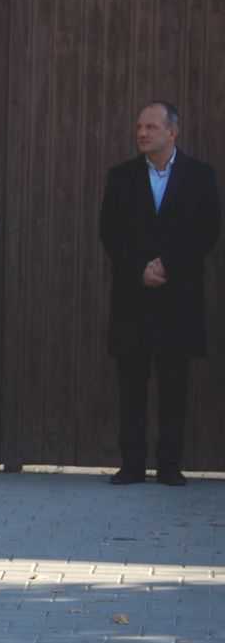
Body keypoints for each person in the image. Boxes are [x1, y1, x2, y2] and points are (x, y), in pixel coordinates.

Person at [99, 102, 220, 487]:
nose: (142, 133)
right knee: (131, 384)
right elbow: (110, 232)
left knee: (174, 384)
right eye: (139, 126)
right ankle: (132, 464)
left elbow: (207, 231)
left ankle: (170, 464)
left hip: (178, 293)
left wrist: (169, 265)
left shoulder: (200, 175)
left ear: (173, 133)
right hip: (133, 294)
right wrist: (139, 267)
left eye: (151, 126)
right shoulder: (121, 176)